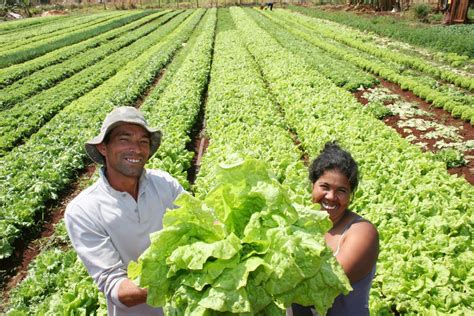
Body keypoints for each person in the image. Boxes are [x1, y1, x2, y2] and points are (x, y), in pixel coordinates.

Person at [65, 106, 184, 315]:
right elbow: (118, 288)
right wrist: (183, 277)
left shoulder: (166, 184)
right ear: (103, 147)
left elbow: (204, 224)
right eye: (124, 139)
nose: (136, 149)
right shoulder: (83, 210)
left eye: (143, 142)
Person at [292, 142, 379, 315]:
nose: (331, 197)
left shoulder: (362, 232)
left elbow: (325, 285)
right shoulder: (299, 221)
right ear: (313, 186)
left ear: (350, 194)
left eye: (341, 190)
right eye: (324, 187)